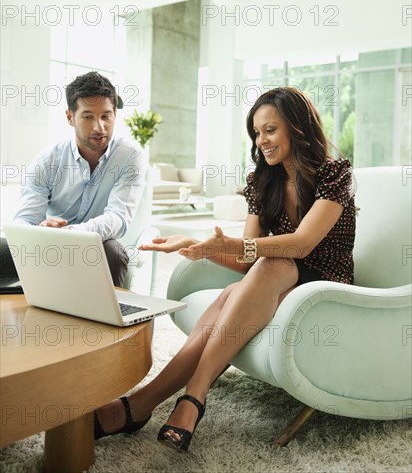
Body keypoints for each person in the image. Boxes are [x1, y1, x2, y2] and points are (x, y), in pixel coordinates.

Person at [94, 86, 356, 452]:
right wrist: (196, 246)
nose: (261, 140)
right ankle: (148, 404)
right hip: (277, 281)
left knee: (274, 263)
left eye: (270, 130)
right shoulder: (264, 181)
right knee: (240, 288)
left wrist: (230, 244)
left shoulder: (334, 175)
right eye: (256, 132)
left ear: (297, 127)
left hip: (328, 288)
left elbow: (302, 244)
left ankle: (189, 396)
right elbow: (247, 260)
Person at [0, 71, 146, 287]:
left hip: (95, 247)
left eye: (106, 115)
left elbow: (118, 218)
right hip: (46, 247)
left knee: (112, 251)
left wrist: (72, 234)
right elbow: (24, 221)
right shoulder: (47, 161)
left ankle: (108, 319)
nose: (99, 127)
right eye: (88, 116)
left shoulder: (130, 156)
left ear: (115, 113)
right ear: (70, 117)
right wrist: (41, 230)